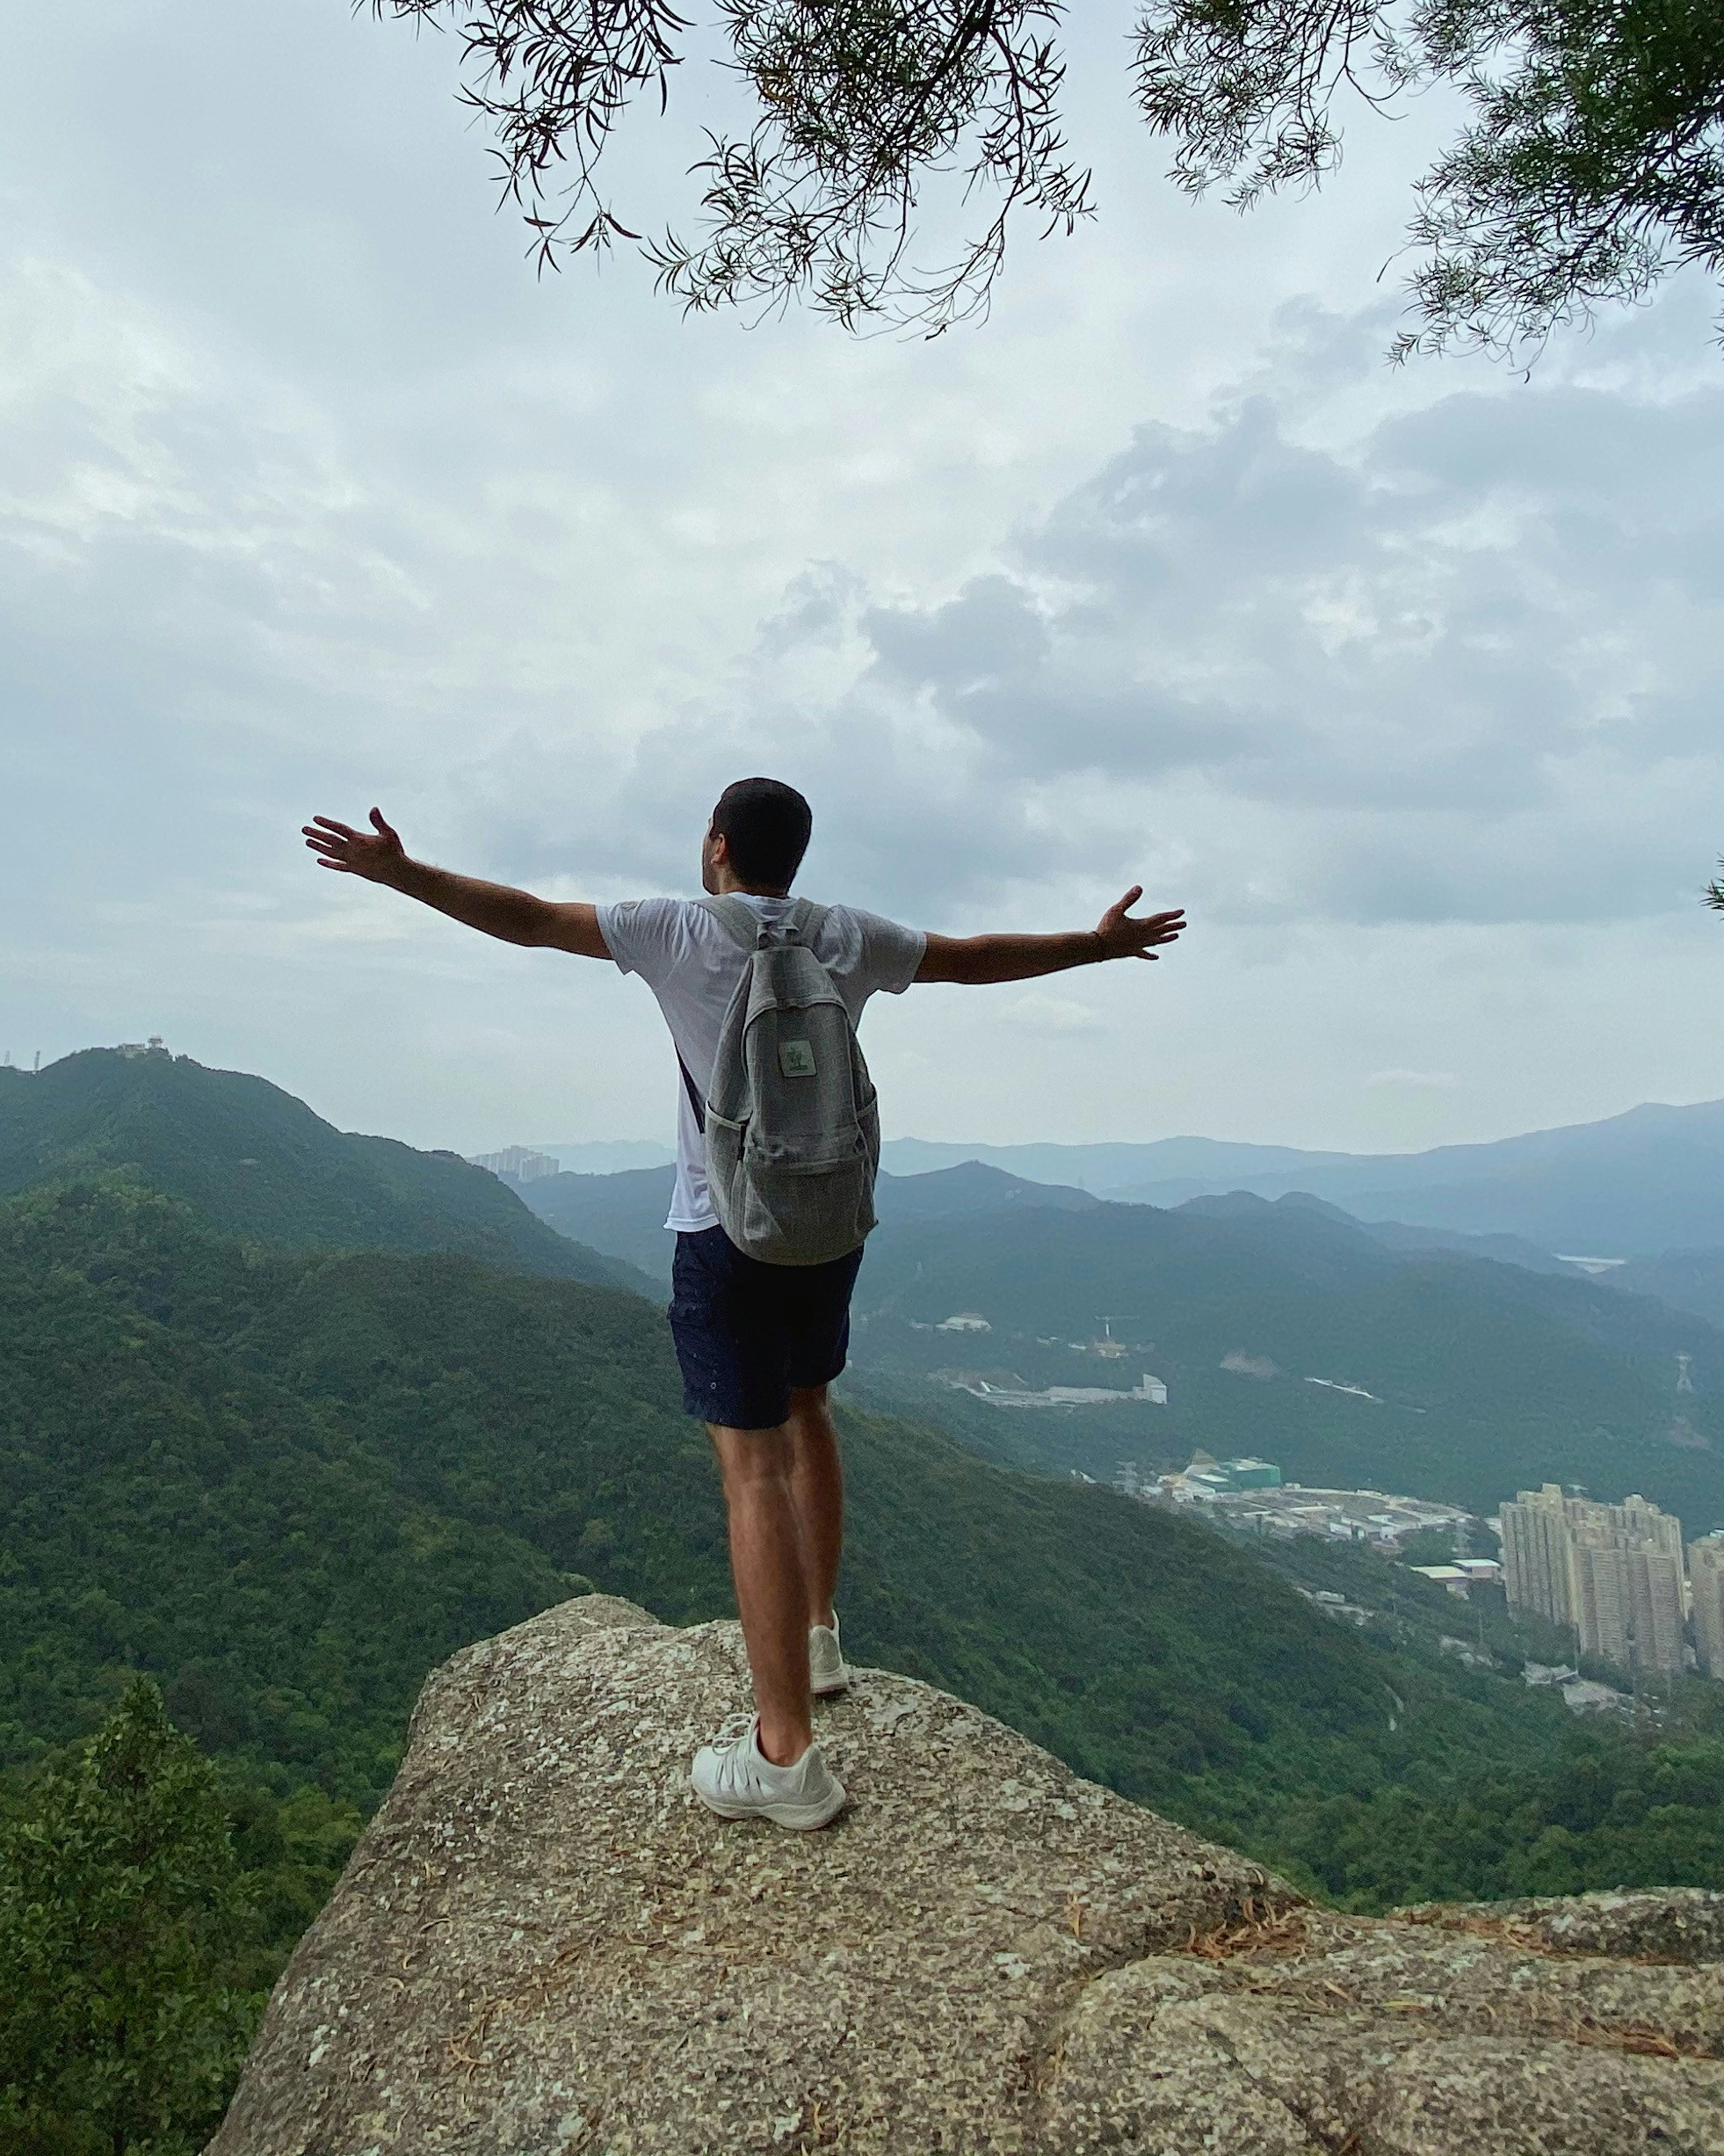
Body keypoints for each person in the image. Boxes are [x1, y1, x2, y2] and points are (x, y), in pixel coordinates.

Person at [301, 777, 1184, 1829]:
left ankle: (783, 1759)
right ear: (795, 858)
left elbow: (529, 921)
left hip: (725, 1228)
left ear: (717, 845)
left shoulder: (677, 929)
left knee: (750, 1471)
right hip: (826, 1224)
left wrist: (401, 876)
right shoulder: (843, 935)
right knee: (809, 1410)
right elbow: (969, 959)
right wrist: (1093, 946)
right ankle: (815, 1641)